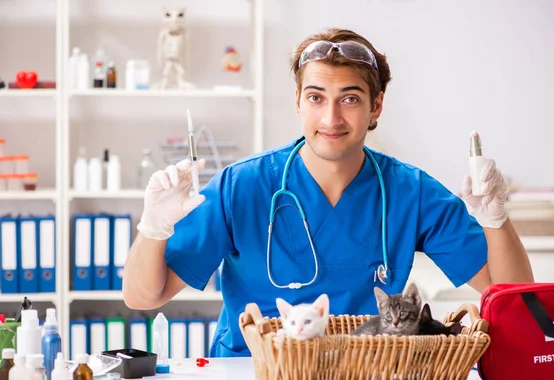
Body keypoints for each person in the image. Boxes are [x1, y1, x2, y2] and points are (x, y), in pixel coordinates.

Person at [123, 28, 533, 358]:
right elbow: (144, 296)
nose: (331, 117)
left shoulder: (411, 192)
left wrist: (495, 218)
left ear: (376, 107)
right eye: (316, 97)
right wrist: (154, 227)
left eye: (350, 99)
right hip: (252, 378)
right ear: (299, 103)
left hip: (365, 376)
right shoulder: (242, 186)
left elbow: (511, 295)